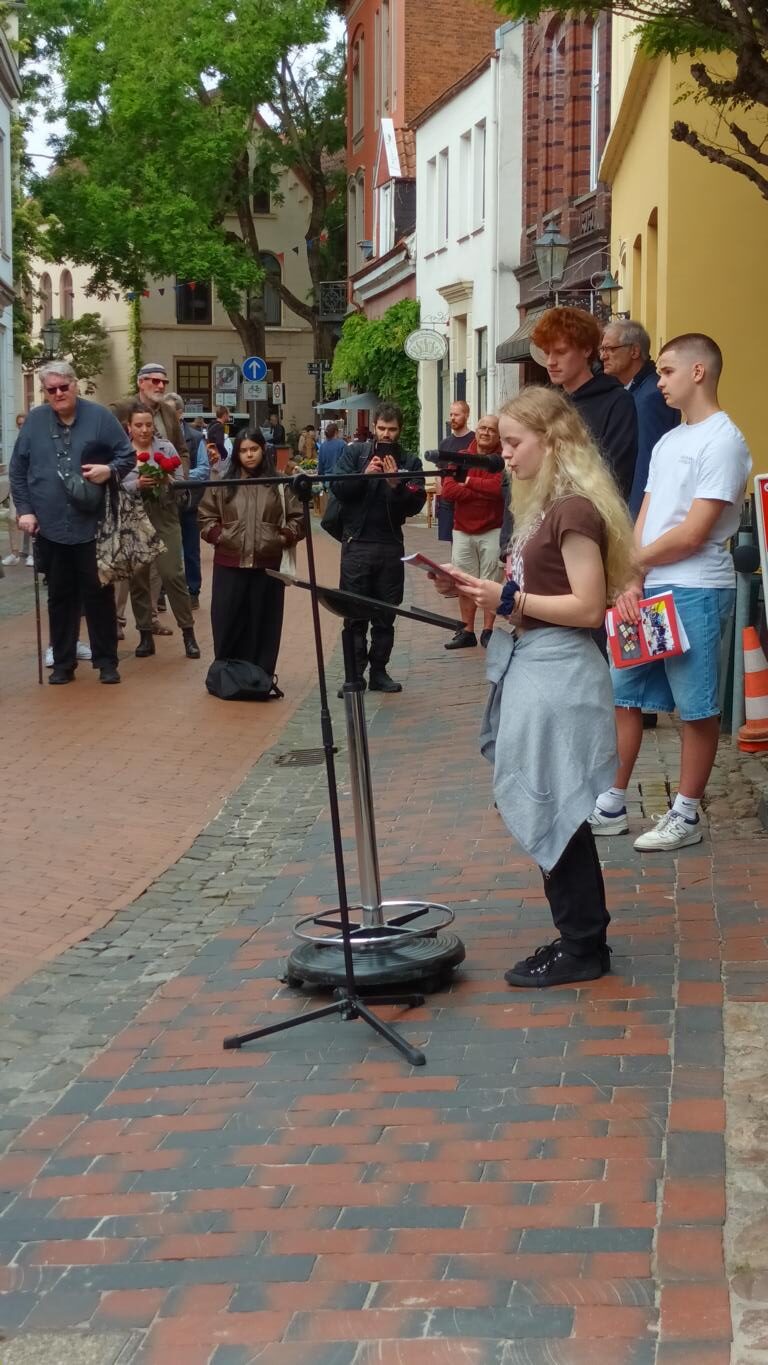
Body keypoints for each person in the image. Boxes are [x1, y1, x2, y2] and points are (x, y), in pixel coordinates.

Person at [431, 386, 635, 987]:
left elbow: (588, 606)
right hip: (538, 666)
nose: (505, 454)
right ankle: (581, 938)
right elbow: (533, 597)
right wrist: (476, 591)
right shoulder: (544, 507)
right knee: (553, 802)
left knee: (556, 803)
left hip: (560, 674)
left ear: (553, 441)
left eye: (515, 443)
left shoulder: (573, 511)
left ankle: (582, 945)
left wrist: (507, 599)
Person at [589, 332, 751, 851]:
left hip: (696, 588)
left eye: (666, 371)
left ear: (698, 372)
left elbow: (694, 532)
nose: (658, 382)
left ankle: (686, 815)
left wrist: (630, 565)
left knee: (695, 707)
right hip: (651, 587)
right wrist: (632, 579)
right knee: (624, 693)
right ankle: (611, 804)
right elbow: (647, 514)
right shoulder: (668, 441)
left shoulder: (724, 441)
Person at [9, 361, 135, 684]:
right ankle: (63, 663)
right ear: (45, 391)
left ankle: (106, 662)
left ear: (75, 385)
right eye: (51, 389)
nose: (58, 393)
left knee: (99, 594)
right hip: (49, 526)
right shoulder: (35, 421)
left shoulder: (100, 417)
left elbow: (127, 455)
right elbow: (18, 470)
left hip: (92, 525)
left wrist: (110, 470)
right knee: (60, 596)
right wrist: (25, 510)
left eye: (64, 387)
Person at [330, 402, 425, 694]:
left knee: (386, 615)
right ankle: (354, 675)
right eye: (382, 428)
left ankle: (379, 672)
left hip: (389, 546)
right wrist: (364, 475)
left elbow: (416, 504)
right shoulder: (355, 453)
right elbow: (337, 488)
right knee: (354, 615)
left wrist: (396, 485)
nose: (386, 434)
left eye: (392, 429)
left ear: (400, 430)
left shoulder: (410, 461)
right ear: (374, 427)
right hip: (357, 544)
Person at [197, 429, 304, 681]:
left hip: (267, 567)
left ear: (263, 450)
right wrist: (219, 536)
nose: (249, 455)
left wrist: (282, 538)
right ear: (236, 454)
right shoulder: (223, 482)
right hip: (229, 564)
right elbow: (205, 516)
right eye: (243, 450)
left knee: (264, 625)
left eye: (253, 449)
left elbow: (299, 519)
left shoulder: (280, 483)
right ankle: (226, 676)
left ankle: (260, 677)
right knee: (227, 622)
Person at [531, 306, 638, 502]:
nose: (551, 362)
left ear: (587, 350)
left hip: (591, 510)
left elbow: (617, 475)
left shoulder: (617, 402)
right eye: (547, 353)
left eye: (561, 352)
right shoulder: (549, 405)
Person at [121, 401, 201, 660]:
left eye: (148, 425)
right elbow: (114, 487)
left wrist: (169, 480)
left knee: (172, 574)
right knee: (138, 578)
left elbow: (182, 485)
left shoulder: (166, 448)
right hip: (135, 519)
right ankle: (145, 635)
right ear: (129, 427)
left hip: (165, 516)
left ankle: (188, 633)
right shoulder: (121, 452)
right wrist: (137, 484)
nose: (144, 430)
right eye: (138, 425)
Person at [599, 319, 681, 521]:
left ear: (634, 351)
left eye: (610, 349)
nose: (603, 356)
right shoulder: (635, 391)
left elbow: (648, 463)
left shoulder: (651, 396)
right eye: (602, 349)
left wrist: (634, 522)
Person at [439, 414, 505, 650]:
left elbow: (499, 490)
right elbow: (448, 491)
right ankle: (467, 631)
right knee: (463, 582)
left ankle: (488, 630)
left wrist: (467, 482)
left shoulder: (502, 460)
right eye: (482, 427)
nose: (485, 432)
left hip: (493, 529)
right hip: (463, 530)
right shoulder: (461, 457)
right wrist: (481, 491)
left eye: (491, 430)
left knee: (490, 582)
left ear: (499, 436)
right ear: (476, 430)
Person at [165, 391, 210, 608]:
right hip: (163, 502)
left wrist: (179, 476)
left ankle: (193, 591)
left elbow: (203, 469)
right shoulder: (156, 435)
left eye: (169, 411)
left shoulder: (195, 437)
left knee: (191, 549)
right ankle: (161, 593)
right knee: (162, 548)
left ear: (180, 413)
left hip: (189, 502)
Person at [436, 400, 474, 544]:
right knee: (453, 545)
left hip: (467, 501)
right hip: (448, 502)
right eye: (451, 414)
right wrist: (440, 499)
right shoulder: (445, 444)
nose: (452, 418)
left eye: (456, 415)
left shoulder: (474, 440)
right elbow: (440, 472)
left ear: (466, 415)